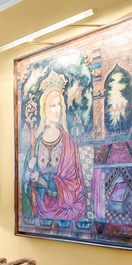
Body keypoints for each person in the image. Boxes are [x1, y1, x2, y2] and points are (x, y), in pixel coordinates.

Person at [24, 85, 87, 220]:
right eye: (53, 105)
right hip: (41, 205)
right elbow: (26, 183)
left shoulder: (70, 143)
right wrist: (31, 178)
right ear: (46, 110)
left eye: (59, 104)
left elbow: (75, 184)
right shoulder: (36, 144)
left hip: (66, 207)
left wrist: (46, 184)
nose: (57, 110)